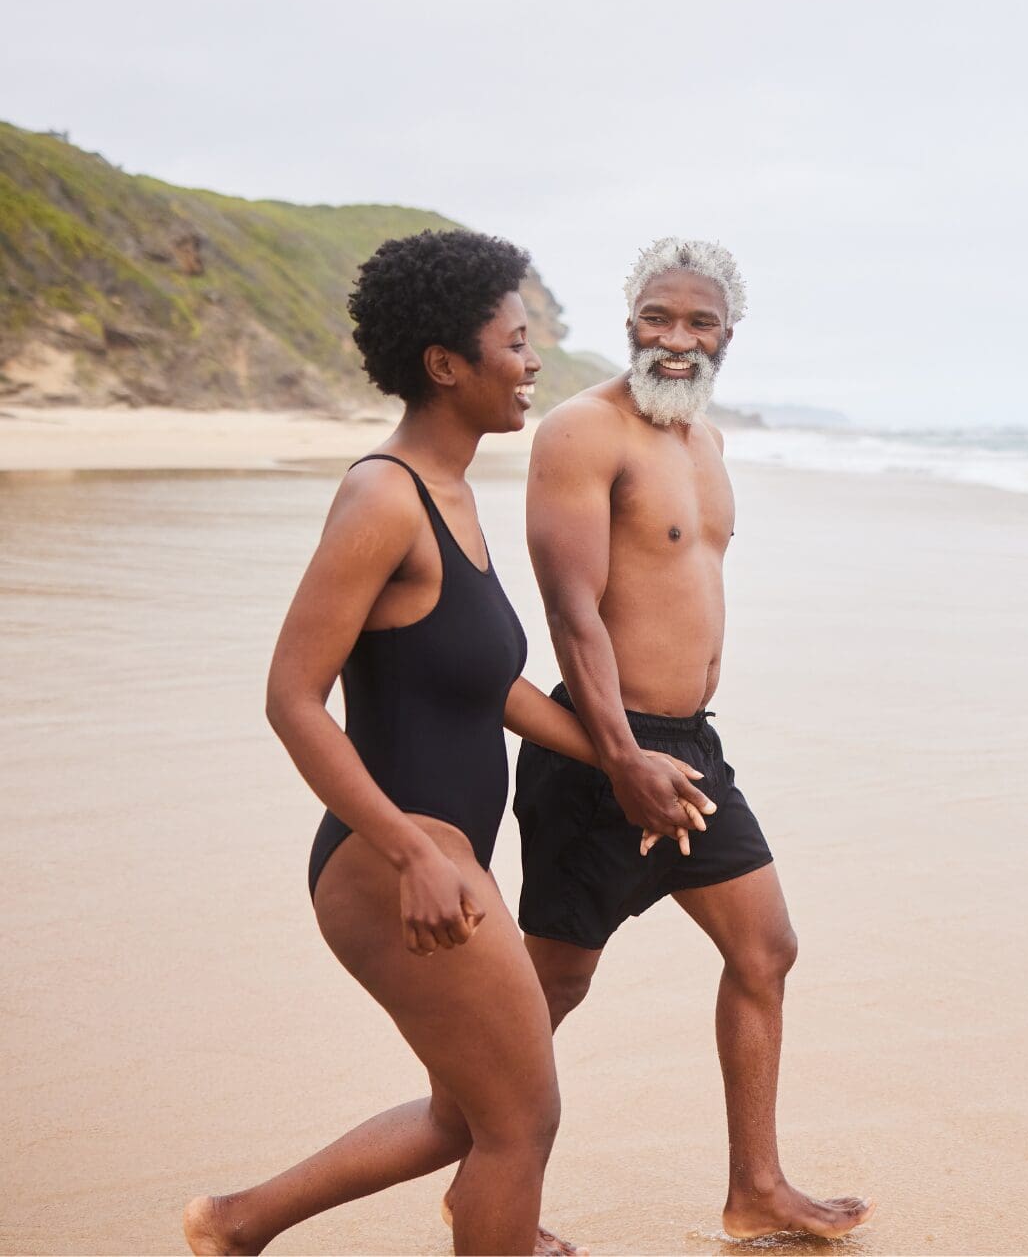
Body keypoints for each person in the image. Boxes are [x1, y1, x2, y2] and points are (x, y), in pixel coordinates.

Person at [181, 229, 710, 1257]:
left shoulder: (456, 497)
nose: (531, 365)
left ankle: (235, 1224)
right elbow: (293, 698)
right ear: (446, 365)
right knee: (523, 1122)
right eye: (515, 343)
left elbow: (491, 685)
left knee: (467, 1116)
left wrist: (621, 759)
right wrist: (412, 850)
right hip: (394, 858)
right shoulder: (384, 495)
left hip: (438, 852)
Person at [507, 237, 876, 1242]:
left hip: (693, 749)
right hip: (599, 753)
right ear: (628, 319)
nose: (676, 339)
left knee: (766, 949)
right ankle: (493, 1202)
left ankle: (755, 1189)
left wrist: (664, 749)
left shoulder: (702, 445)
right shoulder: (583, 434)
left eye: (698, 323)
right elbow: (573, 611)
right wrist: (621, 757)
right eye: (658, 318)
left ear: (727, 335)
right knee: (552, 990)